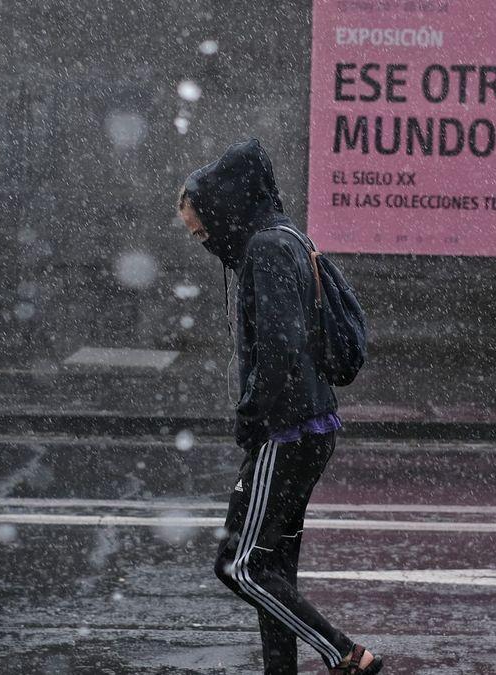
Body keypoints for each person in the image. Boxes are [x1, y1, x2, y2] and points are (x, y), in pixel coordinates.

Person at [177, 139, 382, 675]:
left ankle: (344, 654)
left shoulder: (266, 249)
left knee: (238, 565)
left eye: (202, 228)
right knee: (274, 565)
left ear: (224, 207)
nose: (204, 241)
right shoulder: (288, 235)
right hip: (312, 424)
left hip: (286, 430)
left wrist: (252, 420)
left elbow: (279, 349)